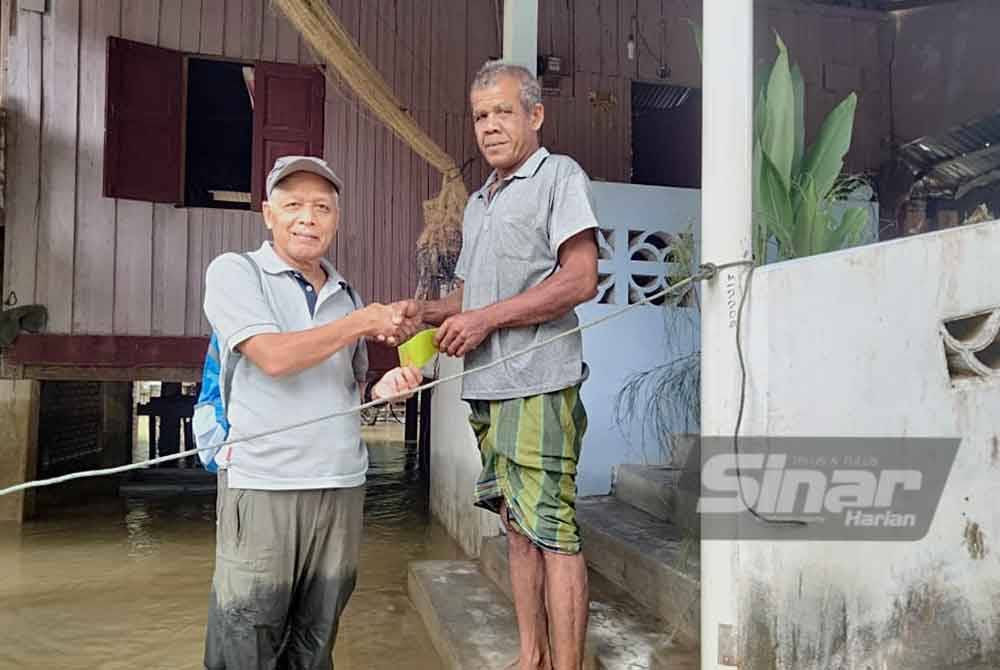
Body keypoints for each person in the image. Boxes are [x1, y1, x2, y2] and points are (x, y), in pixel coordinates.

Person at [202, 155, 423, 670]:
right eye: (294, 204)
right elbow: (275, 357)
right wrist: (362, 323)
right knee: (246, 634)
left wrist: (387, 388)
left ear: (336, 219)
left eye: (322, 207)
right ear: (267, 213)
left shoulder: (347, 296)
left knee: (317, 638)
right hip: (263, 482)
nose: (308, 217)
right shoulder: (236, 272)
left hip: (341, 484)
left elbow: (348, 391)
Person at [414, 61, 599, 670]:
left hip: (540, 381)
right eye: (480, 116)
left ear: (535, 115)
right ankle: (532, 657)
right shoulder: (476, 203)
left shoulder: (559, 178)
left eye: (503, 112)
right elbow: (470, 299)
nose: (490, 127)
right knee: (516, 527)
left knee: (553, 529)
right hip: (488, 385)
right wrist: (425, 312)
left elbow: (580, 278)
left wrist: (487, 320)